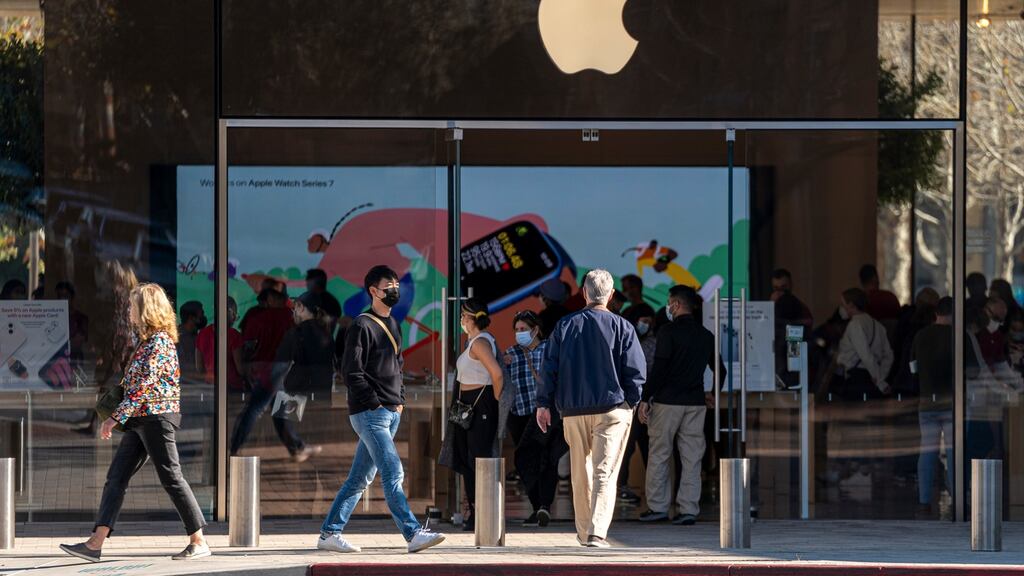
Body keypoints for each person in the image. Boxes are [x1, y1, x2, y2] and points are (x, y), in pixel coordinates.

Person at [60, 283, 210, 562]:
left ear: (147, 309)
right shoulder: (148, 341)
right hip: (141, 419)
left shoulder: (160, 342)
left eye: (133, 306)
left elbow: (142, 387)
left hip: (155, 419)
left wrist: (114, 417)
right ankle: (95, 544)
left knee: (172, 477)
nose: (129, 310)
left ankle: (198, 540)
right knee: (116, 477)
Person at [319, 265, 445, 554]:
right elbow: (352, 371)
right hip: (369, 413)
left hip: (390, 412)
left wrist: (399, 401)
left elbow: (397, 366)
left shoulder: (394, 324)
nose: (394, 290)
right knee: (393, 471)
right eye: (388, 286)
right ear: (373, 291)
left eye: (396, 285)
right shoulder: (362, 325)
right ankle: (413, 533)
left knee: (359, 478)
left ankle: (329, 532)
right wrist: (374, 402)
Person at [537, 269, 645, 548]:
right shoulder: (623, 327)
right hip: (612, 409)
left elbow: (549, 368)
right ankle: (596, 532)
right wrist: (630, 403)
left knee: (580, 472)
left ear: (584, 293)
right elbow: (636, 373)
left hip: (573, 410)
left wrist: (544, 403)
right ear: (610, 295)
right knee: (604, 471)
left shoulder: (564, 325)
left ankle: (585, 531)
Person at [638, 285, 724, 525]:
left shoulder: (668, 332)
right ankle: (689, 509)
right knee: (692, 458)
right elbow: (721, 369)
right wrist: (713, 394)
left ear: (675, 305)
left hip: (667, 402)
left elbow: (660, 368)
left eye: (669, 302)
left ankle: (658, 507)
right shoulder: (706, 335)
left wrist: (646, 398)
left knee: (659, 454)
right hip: (695, 403)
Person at [503, 309, 566, 527]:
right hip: (520, 413)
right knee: (525, 461)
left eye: (524, 329)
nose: (519, 333)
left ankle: (544, 505)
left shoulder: (549, 350)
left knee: (547, 459)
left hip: (545, 412)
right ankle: (537, 505)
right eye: (517, 330)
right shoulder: (511, 353)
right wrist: (503, 363)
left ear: (536, 330)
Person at [448, 297, 504, 531]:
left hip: (480, 405)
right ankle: (474, 508)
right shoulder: (472, 342)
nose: (461, 319)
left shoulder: (480, 343)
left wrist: (495, 403)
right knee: (468, 460)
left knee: (478, 460)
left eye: (463, 315)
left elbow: (497, 374)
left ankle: (480, 512)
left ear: (472, 319)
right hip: (468, 406)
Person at [231, 288, 296, 455]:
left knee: (275, 408)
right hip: (279, 367)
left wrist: (247, 367)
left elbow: (247, 343)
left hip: (263, 367)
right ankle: (234, 447)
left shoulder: (257, 316)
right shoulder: (289, 316)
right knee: (260, 408)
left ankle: (296, 446)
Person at [270, 292, 331, 463]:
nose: (293, 312)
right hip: (315, 387)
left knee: (280, 411)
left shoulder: (297, 333)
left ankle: (298, 447)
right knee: (282, 410)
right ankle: (297, 446)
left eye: (296, 307)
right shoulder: (322, 331)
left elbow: (282, 365)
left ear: (302, 309)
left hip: (299, 386)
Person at [912, 296, 954, 515]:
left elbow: (912, 368)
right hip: (951, 402)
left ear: (936, 313)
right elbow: (973, 369)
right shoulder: (958, 336)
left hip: (927, 401)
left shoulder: (921, 336)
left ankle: (924, 500)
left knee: (926, 451)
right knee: (954, 452)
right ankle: (957, 498)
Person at [617, 311, 656, 504]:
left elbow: (652, 373)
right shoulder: (623, 340)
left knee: (649, 447)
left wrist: (646, 399)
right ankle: (621, 486)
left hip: (647, 402)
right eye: (643, 320)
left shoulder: (653, 343)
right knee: (626, 447)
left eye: (648, 321)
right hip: (626, 403)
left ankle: (654, 490)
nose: (645, 325)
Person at [835, 287, 894, 398]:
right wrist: (881, 376)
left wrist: (880, 383)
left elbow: (865, 355)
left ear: (851, 305)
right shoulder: (878, 326)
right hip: (873, 381)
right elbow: (889, 356)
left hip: (856, 381)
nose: (841, 308)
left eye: (843, 304)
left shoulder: (854, 325)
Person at [195, 297, 244, 391]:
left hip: (210, 386)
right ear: (230, 312)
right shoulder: (234, 335)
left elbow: (199, 367)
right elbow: (240, 369)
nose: (234, 319)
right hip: (231, 387)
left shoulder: (202, 334)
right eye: (235, 315)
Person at [56, 281, 90, 370]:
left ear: (72, 297)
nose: (62, 299)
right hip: (56, 362)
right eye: (60, 296)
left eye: (66, 296)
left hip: (74, 361)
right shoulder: (53, 318)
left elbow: (79, 341)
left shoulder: (80, 318)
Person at [176, 301, 206, 381]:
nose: (203, 317)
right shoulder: (178, 339)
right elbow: (185, 370)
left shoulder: (196, 336)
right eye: (201, 314)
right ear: (191, 317)